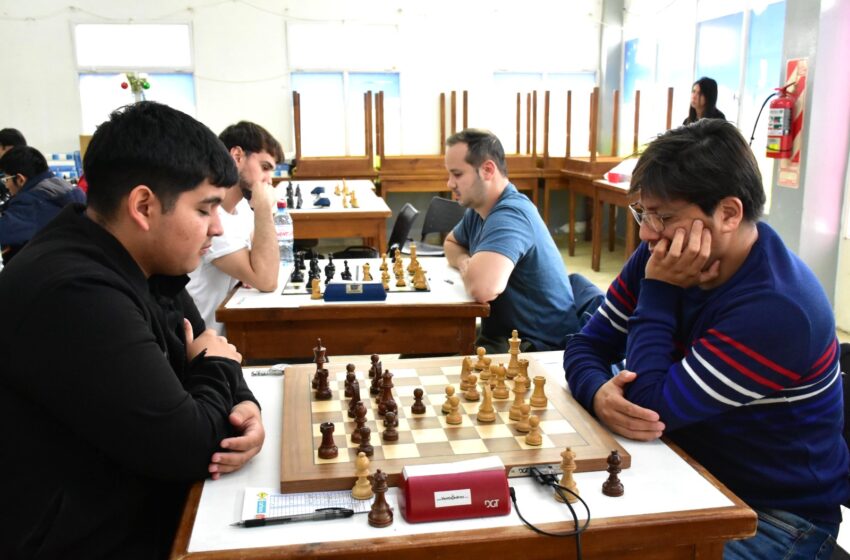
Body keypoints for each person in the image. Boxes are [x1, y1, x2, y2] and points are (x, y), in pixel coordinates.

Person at [563, 119, 849, 559]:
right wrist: (599, 394)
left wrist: (659, 291)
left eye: (663, 216)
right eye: (643, 213)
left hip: (775, 516)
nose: (646, 233)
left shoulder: (778, 309)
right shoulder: (662, 252)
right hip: (685, 466)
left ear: (729, 214)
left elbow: (648, 408)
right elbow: (585, 345)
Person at [0, 102, 265, 559]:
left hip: (139, 507)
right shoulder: (73, 293)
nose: (218, 227)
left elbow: (209, 345)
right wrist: (217, 367)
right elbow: (191, 444)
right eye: (205, 209)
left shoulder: (139, 261)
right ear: (143, 205)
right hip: (90, 541)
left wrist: (244, 404)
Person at [443, 128, 579, 353]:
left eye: (457, 174)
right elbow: (452, 243)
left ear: (487, 170)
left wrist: (474, 271)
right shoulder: (479, 210)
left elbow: (482, 288)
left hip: (537, 349)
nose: (450, 183)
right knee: (421, 347)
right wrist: (466, 262)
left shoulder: (510, 215)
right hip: (505, 337)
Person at [187, 121, 283, 334]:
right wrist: (264, 209)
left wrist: (250, 271)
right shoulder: (213, 215)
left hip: (233, 328)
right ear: (237, 156)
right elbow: (267, 280)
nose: (269, 180)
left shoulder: (241, 207)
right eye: (265, 167)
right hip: (205, 340)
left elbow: (263, 263)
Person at [0, 145, 86, 263]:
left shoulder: (30, 203)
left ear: (20, 179)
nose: (6, 185)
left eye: (6, 179)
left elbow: (5, 230)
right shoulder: (67, 189)